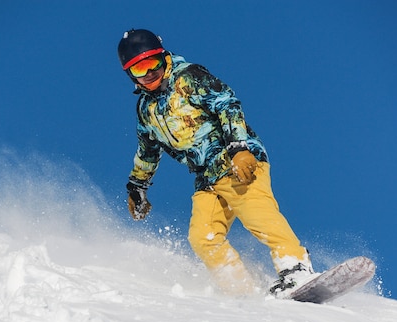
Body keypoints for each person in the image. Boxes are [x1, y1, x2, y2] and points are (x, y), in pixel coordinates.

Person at [118, 28, 314, 296]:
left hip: (234, 159)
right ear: (131, 75)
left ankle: (295, 269)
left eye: (153, 63)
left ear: (163, 58)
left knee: (256, 213)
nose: (150, 73)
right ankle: (242, 291)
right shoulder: (145, 110)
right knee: (203, 237)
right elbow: (148, 150)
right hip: (206, 176)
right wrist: (137, 186)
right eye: (140, 69)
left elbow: (226, 103)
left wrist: (238, 148)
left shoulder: (188, 78)